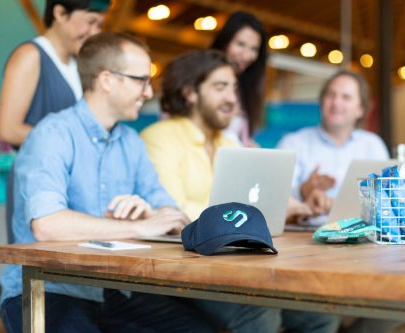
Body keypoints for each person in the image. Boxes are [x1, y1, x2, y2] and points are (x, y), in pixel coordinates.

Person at [0, 32, 216, 333]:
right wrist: (137, 227)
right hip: (47, 290)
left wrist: (150, 213)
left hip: (112, 290)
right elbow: (47, 225)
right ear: (107, 80)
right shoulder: (52, 135)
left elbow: (174, 215)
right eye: (141, 79)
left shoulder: (131, 142)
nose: (148, 92)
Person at [141, 49, 337, 333]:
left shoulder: (228, 144)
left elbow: (254, 203)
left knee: (319, 315)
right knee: (260, 317)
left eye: (233, 88)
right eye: (220, 87)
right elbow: (173, 215)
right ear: (189, 93)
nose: (232, 98)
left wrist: (296, 209)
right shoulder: (160, 138)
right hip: (187, 269)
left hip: (235, 264)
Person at [0, 0, 110, 243]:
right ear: (60, 12)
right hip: (39, 178)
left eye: (100, 25)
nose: (95, 32)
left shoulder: (77, 65)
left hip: (71, 179)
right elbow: (8, 129)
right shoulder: (30, 55)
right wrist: (73, 144)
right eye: (91, 22)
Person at [277, 70, 389, 224]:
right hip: (303, 237)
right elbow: (273, 200)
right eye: (331, 95)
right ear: (321, 102)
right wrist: (304, 190)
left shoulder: (373, 145)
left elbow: (388, 198)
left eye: (346, 97)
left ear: (361, 109)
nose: (336, 102)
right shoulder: (293, 143)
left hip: (364, 237)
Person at [211, 11, 268, 146]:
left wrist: (248, 145)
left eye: (254, 49)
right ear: (225, 41)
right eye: (240, 44)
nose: (246, 55)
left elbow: (237, 138)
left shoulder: (245, 88)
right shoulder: (200, 75)